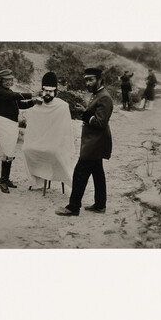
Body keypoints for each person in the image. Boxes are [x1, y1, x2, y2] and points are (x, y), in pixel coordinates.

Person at [55, 68, 113, 216]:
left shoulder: (104, 97)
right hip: (94, 141)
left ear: (100, 79)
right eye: (86, 80)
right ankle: (100, 205)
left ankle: (73, 207)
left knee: (79, 173)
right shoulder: (97, 94)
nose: (87, 83)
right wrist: (85, 112)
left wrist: (84, 113)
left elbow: (100, 123)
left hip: (95, 143)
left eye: (91, 79)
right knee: (97, 173)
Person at [22, 72, 75, 191]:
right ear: (42, 91)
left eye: (50, 91)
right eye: (45, 91)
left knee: (52, 151)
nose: (47, 94)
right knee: (27, 149)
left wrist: (55, 142)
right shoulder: (37, 105)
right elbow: (33, 129)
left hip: (55, 143)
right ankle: (37, 180)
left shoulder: (62, 106)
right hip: (38, 141)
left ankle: (54, 177)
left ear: (55, 92)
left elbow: (65, 132)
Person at [0, 69, 35, 192]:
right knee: (7, 152)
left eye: (11, 80)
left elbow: (20, 105)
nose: (9, 82)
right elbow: (14, 96)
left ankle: (6, 179)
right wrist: (33, 94)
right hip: (4, 124)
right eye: (6, 80)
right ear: (0, 81)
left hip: (11, 125)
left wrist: (34, 102)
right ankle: (3, 181)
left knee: (9, 152)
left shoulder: (7, 91)